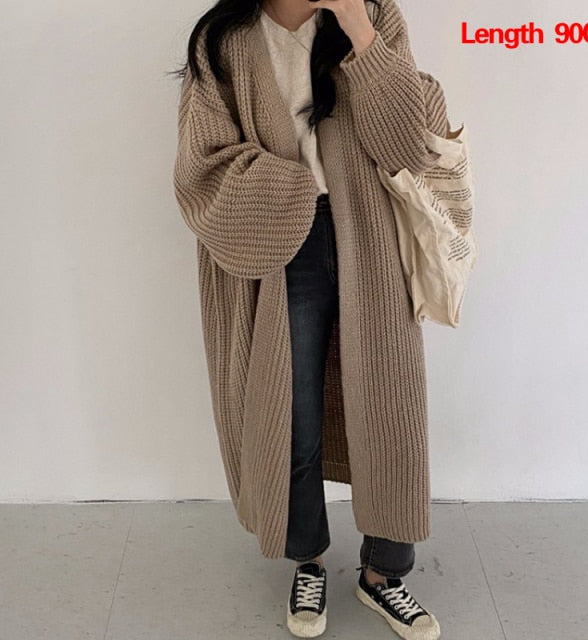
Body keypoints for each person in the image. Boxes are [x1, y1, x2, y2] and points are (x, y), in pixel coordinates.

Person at [172, 0, 451, 638]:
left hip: (371, 236)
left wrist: (359, 31)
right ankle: (309, 560)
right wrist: (294, 189)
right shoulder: (224, 40)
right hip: (279, 241)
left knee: (389, 406)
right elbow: (199, 166)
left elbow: (408, 144)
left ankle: (384, 574)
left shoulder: (373, 16)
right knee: (291, 411)